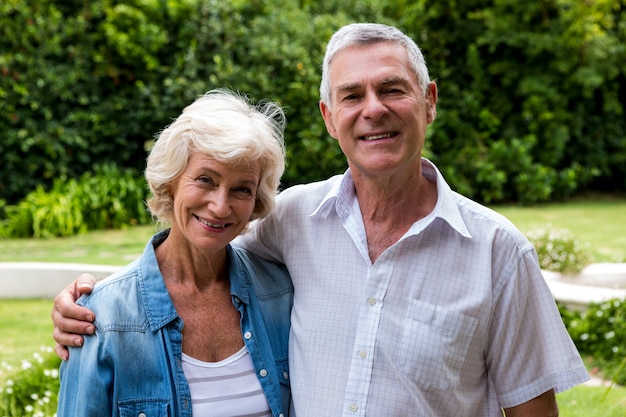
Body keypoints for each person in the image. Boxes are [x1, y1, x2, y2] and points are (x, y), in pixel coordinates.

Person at [52, 23, 589, 416]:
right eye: (351, 95)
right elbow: (194, 243)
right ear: (330, 118)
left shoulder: (498, 251)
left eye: (392, 89)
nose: (372, 109)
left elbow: (532, 411)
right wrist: (93, 305)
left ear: (428, 102)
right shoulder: (293, 220)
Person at [56, 89, 293, 417]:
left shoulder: (280, 293)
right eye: (206, 179)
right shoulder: (105, 317)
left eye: (242, 189)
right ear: (171, 183)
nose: (220, 205)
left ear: (257, 201)